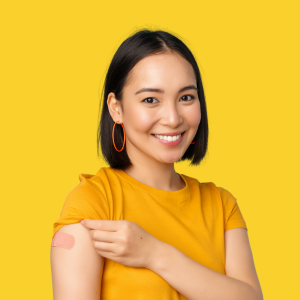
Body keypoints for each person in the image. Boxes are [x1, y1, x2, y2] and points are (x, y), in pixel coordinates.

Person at [50, 29, 263, 300]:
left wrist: (155, 254)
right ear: (116, 108)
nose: (173, 118)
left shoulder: (221, 205)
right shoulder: (94, 203)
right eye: (151, 100)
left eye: (186, 97)